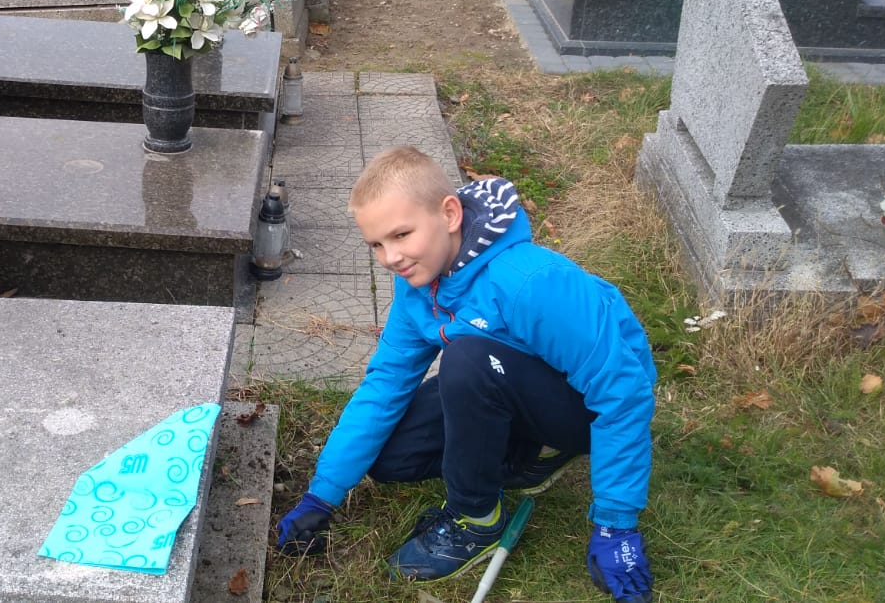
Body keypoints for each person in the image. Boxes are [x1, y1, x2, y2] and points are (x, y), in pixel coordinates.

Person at [274, 147, 656, 602]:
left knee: (467, 361)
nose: (391, 257)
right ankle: (530, 456)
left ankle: (477, 518)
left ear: (450, 214)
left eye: (401, 234)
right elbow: (385, 385)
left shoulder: (528, 282)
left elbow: (623, 393)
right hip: (506, 385)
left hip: (582, 409)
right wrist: (322, 495)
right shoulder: (419, 283)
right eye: (376, 244)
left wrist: (616, 524)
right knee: (391, 457)